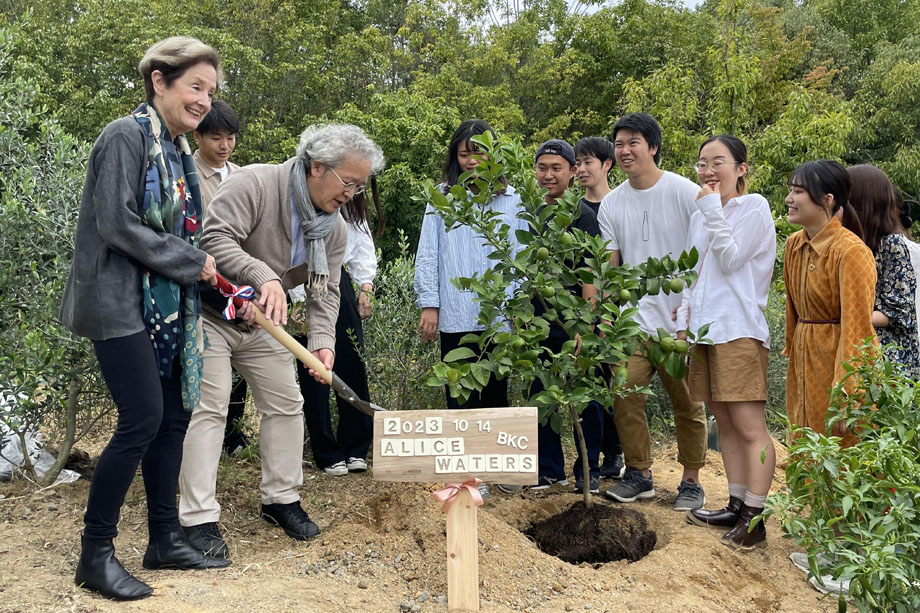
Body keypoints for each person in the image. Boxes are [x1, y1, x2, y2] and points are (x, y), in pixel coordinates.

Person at [59, 36, 231, 601]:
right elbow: (117, 224)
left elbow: (189, 233)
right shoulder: (124, 136)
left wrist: (219, 277)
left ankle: (165, 538)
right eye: (195, 86)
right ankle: (95, 553)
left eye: (211, 90)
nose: (205, 100)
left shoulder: (180, 151)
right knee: (142, 418)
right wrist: (192, 262)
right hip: (115, 300)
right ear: (160, 81)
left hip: (166, 302)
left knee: (175, 416)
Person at [178, 123, 384, 559]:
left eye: (360, 186)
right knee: (210, 407)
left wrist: (323, 343)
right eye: (348, 182)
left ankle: (280, 499)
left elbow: (324, 290)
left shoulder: (333, 227)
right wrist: (263, 276)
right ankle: (197, 519)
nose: (352, 194)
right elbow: (213, 238)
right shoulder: (255, 183)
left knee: (287, 404)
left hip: (262, 324)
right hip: (212, 313)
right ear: (316, 168)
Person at [596, 113, 707, 511]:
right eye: (620, 144)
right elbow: (611, 264)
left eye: (634, 143)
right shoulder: (612, 203)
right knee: (625, 397)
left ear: (653, 146)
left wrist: (694, 313)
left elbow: (706, 253)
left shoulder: (684, 191)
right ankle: (639, 474)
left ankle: (692, 481)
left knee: (689, 403)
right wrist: (608, 315)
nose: (625, 151)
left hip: (679, 322)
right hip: (633, 322)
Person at [414, 118, 526, 499]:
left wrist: (518, 309)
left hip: (500, 313)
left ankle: (496, 467)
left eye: (479, 152)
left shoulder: (513, 200)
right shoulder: (442, 198)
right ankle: (464, 474)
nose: (472, 161)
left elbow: (521, 256)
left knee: (496, 390)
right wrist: (430, 304)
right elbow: (428, 254)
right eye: (464, 154)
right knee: (459, 391)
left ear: (493, 154)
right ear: (455, 158)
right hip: (457, 310)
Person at [677, 136, 776, 549]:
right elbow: (690, 272)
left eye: (719, 162)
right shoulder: (702, 212)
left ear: (742, 168)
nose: (709, 170)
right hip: (704, 331)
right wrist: (683, 324)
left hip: (738, 329)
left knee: (751, 426)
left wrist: (712, 208)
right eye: (702, 163)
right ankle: (736, 503)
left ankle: (755, 517)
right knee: (725, 422)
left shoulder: (754, 208)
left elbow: (731, 259)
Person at [526, 139, 604, 494]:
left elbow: (591, 275)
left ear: (573, 172)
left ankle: (588, 472)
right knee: (541, 392)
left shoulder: (583, 217)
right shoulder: (534, 213)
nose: (548, 175)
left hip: (572, 324)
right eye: (542, 167)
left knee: (583, 397)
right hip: (541, 322)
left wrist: (584, 327)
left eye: (556, 168)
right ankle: (548, 469)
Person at [783, 161, 877, 446]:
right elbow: (793, 313)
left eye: (798, 192)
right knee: (802, 442)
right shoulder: (793, 244)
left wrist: (847, 393)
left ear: (827, 200)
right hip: (803, 356)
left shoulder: (851, 251)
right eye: (790, 190)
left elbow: (858, 329)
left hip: (834, 359)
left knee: (840, 449)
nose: (789, 199)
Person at [295, 177, 384, 476]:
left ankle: (357, 446)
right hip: (298, 282)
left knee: (350, 361)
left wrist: (365, 286)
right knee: (313, 368)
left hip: (337, 280)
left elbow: (362, 244)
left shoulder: (350, 200)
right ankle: (326, 450)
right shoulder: (299, 194)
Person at [190, 99, 250, 456]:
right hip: (205, 286)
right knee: (212, 370)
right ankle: (210, 441)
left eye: (230, 137)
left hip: (242, 281)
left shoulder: (242, 175)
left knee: (242, 363)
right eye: (216, 137)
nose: (224, 145)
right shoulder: (189, 176)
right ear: (197, 136)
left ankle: (235, 433)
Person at [574, 136, 625, 481]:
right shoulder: (574, 210)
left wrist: (609, 312)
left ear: (607, 165)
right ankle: (597, 457)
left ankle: (617, 453)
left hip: (619, 311)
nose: (581, 169)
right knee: (591, 384)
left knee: (618, 385)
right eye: (577, 163)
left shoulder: (621, 206)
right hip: (585, 313)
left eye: (588, 162)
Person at [846, 164, 920, 377]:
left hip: (888, 357)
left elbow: (898, 311)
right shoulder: (848, 243)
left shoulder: (892, 245)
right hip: (856, 345)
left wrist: (845, 316)